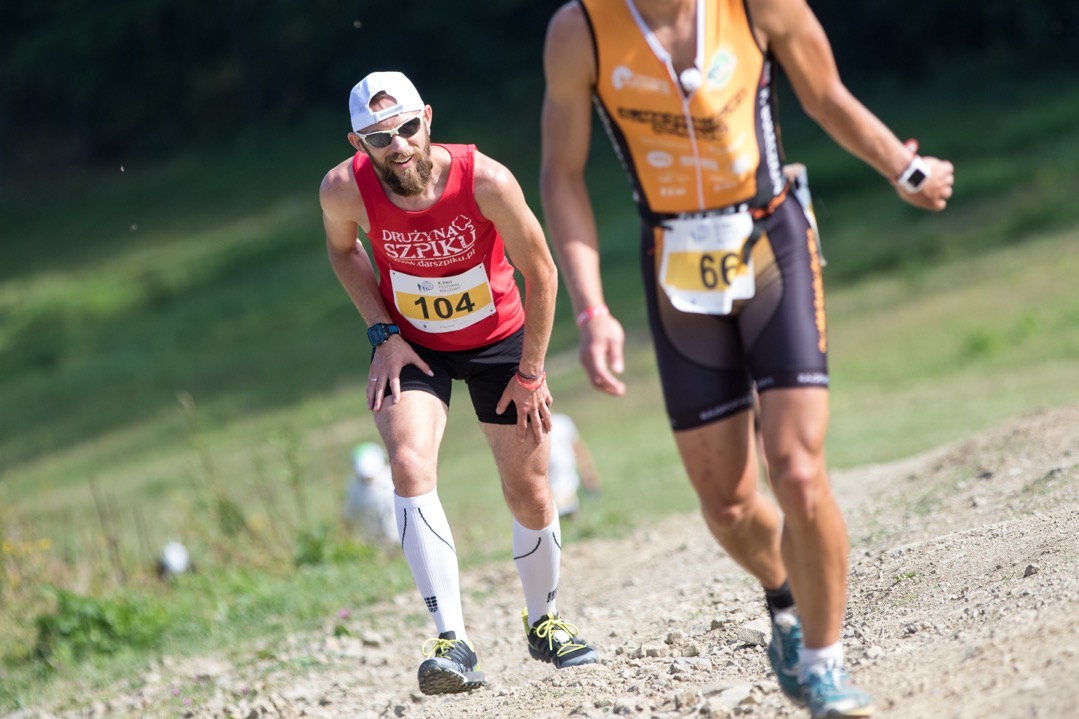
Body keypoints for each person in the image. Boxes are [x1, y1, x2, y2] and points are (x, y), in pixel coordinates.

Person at [540, 2, 954, 718]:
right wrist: (591, 309)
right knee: (727, 504)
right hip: (674, 259)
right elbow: (562, 175)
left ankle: (824, 664)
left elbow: (824, 94)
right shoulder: (580, 30)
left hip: (770, 239)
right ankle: (786, 597)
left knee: (795, 468)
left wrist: (905, 167)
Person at [319, 70, 599, 696]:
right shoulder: (344, 189)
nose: (397, 145)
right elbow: (343, 251)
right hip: (414, 344)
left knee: (529, 488)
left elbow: (542, 272)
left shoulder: (486, 180)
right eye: (378, 137)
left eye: (406, 128)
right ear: (357, 143)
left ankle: (545, 621)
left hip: (500, 341)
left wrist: (531, 372)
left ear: (427, 118)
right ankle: (452, 640)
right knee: (407, 463)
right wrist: (382, 333)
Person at [342, 441, 399, 549]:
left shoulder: (392, 479)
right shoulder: (354, 488)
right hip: (375, 545)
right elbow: (349, 517)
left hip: (398, 540)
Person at [548, 412, 602, 517]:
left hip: (567, 486)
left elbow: (578, 449)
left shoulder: (562, 422)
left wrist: (588, 472)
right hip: (547, 488)